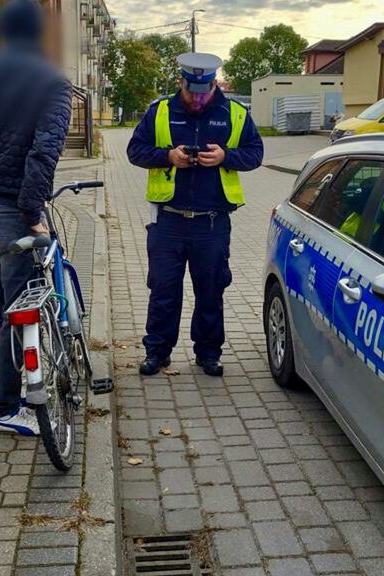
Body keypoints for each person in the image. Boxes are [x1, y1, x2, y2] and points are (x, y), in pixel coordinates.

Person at [0, 0, 72, 435]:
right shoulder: (52, 82)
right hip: (14, 214)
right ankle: (5, 408)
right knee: (14, 311)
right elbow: (45, 151)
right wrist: (32, 211)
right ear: (39, 33)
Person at [127, 52, 264, 377]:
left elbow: (256, 153)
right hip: (169, 221)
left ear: (214, 84)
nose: (199, 99)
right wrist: (167, 156)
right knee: (163, 291)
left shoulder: (235, 114)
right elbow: (135, 150)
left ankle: (208, 353)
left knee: (211, 291)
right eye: (192, 92)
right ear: (181, 83)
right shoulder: (160, 111)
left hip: (212, 223)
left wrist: (225, 157)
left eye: (204, 92)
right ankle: (157, 352)